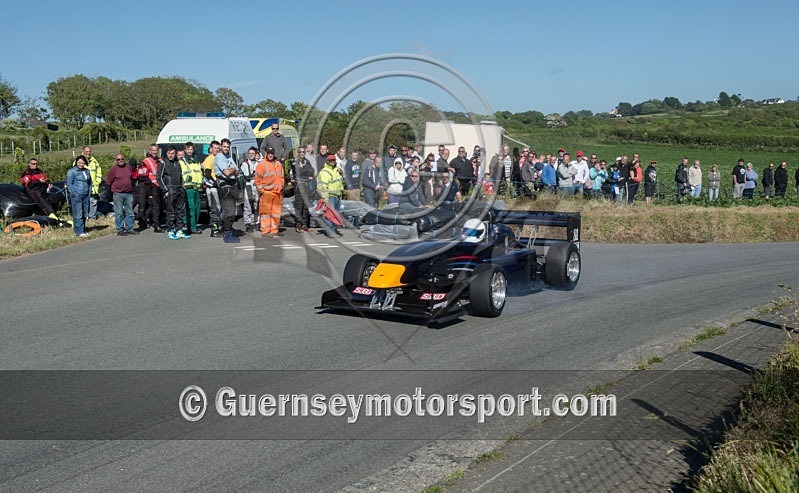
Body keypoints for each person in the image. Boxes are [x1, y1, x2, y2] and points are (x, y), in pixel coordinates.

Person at [214, 138, 241, 243]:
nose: (226, 148)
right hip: (224, 187)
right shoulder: (219, 157)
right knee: (228, 210)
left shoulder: (228, 157)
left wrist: (233, 170)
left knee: (232, 211)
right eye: (224, 146)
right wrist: (233, 169)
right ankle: (227, 233)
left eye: (228, 147)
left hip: (231, 185)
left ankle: (228, 230)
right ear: (221, 146)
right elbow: (227, 173)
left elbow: (237, 172)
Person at [157, 145, 187, 240]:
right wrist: (165, 190)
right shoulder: (163, 163)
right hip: (169, 189)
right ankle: (170, 230)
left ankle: (179, 230)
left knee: (180, 211)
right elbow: (159, 177)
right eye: (169, 153)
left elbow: (181, 176)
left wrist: (182, 187)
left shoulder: (178, 162)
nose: (171, 155)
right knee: (170, 211)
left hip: (179, 189)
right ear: (166, 153)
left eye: (173, 153)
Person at [254, 147, 284, 238]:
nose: (270, 155)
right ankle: (265, 231)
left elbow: (282, 177)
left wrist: (281, 187)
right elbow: (257, 179)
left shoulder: (278, 164)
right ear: (266, 154)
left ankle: (274, 230)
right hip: (266, 192)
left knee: (276, 213)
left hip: (277, 192)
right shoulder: (262, 164)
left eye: (272, 153)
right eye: (269, 153)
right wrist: (262, 191)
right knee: (266, 213)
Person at [105, 153, 136, 235]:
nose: (120, 160)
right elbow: (108, 182)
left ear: (124, 159)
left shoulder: (129, 167)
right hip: (118, 193)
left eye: (122, 159)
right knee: (119, 213)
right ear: (116, 160)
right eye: (118, 159)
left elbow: (133, 177)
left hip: (129, 193)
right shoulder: (113, 170)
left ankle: (130, 228)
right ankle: (120, 229)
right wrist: (110, 193)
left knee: (130, 212)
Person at [316, 154, 345, 237]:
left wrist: (342, 174)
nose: (332, 162)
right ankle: (330, 232)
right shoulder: (324, 172)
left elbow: (340, 182)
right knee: (329, 215)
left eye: (333, 160)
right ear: (327, 161)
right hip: (330, 196)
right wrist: (325, 198)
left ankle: (333, 229)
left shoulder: (337, 170)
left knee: (335, 215)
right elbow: (321, 187)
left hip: (337, 195)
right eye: (330, 160)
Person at [180, 142, 203, 235]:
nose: (189, 151)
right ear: (185, 150)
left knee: (197, 207)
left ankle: (193, 225)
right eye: (187, 149)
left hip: (196, 187)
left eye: (191, 149)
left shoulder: (196, 160)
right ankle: (192, 228)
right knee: (191, 208)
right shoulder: (182, 161)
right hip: (188, 187)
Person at [140, 144, 164, 232]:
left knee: (159, 206)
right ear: (150, 151)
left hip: (160, 186)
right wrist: (148, 190)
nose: (155, 152)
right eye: (153, 150)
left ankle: (156, 222)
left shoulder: (160, 160)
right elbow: (143, 176)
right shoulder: (146, 161)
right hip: (151, 186)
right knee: (154, 206)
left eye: (156, 150)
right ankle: (155, 225)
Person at [66, 155, 92, 237]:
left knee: (84, 213)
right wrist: (74, 193)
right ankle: (78, 232)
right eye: (79, 162)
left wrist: (89, 192)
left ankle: (83, 229)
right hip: (77, 195)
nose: (81, 164)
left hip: (86, 194)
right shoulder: (72, 171)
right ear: (76, 162)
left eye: (83, 163)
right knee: (78, 213)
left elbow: (89, 182)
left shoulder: (87, 171)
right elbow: (69, 183)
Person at [291, 146, 315, 232]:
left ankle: (305, 224)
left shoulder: (307, 161)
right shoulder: (295, 161)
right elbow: (298, 171)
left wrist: (305, 171)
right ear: (298, 153)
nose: (302, 153)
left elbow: (312, 171)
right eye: (300, 152)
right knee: (299, 205)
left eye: (303, 152)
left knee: (306, 206)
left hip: (306, 185)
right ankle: (298, 224)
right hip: (299, 185)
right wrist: (305, 171)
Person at [202, 140, 222, 236]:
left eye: (218, 148)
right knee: (214, 208)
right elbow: (207, 174)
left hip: (218, 187)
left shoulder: (218, 158)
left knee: (219, 208)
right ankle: (214, 229)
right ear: (211, 149)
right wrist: (215, 183)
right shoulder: (209, 159)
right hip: (212, 188)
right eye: (215, 148)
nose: (217, 150)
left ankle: (219, 227)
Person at [239, 146, 260, 232]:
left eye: (252, 153)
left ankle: (257, 222)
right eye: (250, 153)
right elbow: (247, 176)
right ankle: (248, 224)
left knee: (257, 204)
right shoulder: (245, 163)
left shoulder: (258, 163)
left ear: (256, 154)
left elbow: (260, 175)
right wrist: (255, 175)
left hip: (256, 186)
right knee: (247, 205)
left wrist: (255, 175)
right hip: (248, 186)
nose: (251, 155)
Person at [81, 146, 102, 219]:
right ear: (83, 152)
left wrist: (98, 181)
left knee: (93, 203)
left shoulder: (94, 162)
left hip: (93, 187)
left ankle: (92, 218)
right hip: (83, 187)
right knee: (83, 203)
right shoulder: (79, 162)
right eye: (87, 151)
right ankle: (84, 217)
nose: (88, 153)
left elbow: (99, 172)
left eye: (89, 151)